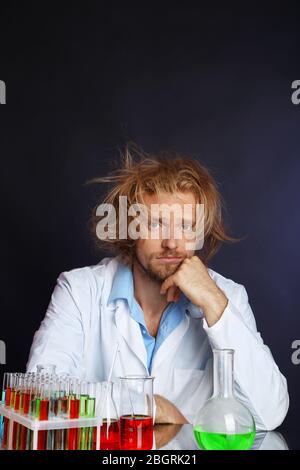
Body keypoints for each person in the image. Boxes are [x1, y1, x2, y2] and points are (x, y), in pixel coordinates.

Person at [26, 144, 289, 430]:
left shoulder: (226, 298)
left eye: (186, 228)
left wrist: (215, 305)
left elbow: (269, 413)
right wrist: (148, 407)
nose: (173, 243)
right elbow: (40, 398)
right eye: (156, 224)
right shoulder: (79, 291)